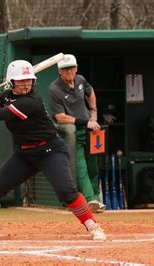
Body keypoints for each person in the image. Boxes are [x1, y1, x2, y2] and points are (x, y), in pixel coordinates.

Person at [0, 60, 106, 241]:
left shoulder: (31, 101)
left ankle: (93, 226)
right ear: (11, 82)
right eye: (21, 80)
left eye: (29, 80)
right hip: (25, 154)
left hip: (50, 150)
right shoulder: (8, 96)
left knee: (66, 191)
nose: (26, 84)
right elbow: (0, 103)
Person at [47, 54, 105, 213]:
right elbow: (60, 117)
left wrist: (93, 112)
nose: (69, 71)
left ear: (76, 68)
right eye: (65, 69)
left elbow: (90, 92)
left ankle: (95, 199)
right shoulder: (54, 89)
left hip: (90, 130)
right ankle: (90, 199)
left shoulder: (81, 80)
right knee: (81, 167)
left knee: (93, 166)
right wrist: (87, 122)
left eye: (71, 68)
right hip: (72, 132)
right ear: (59, 71)